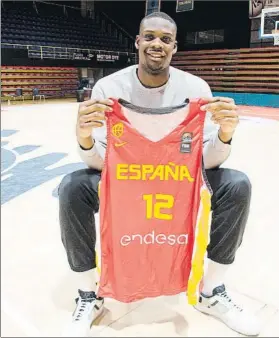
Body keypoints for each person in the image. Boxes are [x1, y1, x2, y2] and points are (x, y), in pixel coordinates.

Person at [59, 11, 260, 337]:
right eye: (149, 36)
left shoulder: (196, 88)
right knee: (72, 187)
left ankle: (212, 292)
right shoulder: (109, 87)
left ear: (175, 47)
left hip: (178, 176)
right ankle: (88, 295)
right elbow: (100, 160)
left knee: (237, 185)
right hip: (125, 177)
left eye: (165, 39)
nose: (157, 44)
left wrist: (225, 133)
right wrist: (83, 137)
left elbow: (208, 160)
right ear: (138, 42)